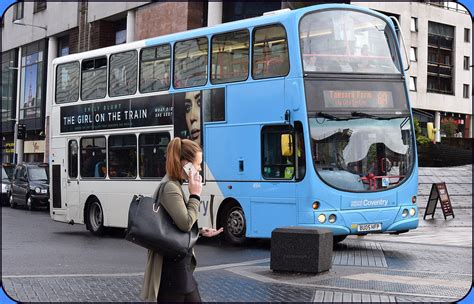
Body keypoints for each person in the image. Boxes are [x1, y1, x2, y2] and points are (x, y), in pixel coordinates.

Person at [140, 137, 223, 303]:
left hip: (179, 269)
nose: (199, 169)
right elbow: (185, 224)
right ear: (186, 164)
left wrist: (199, 231)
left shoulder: (174, 184)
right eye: (198, 164)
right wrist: (195, 195)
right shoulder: (170, 187)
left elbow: (173, 224)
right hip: (173, 271)